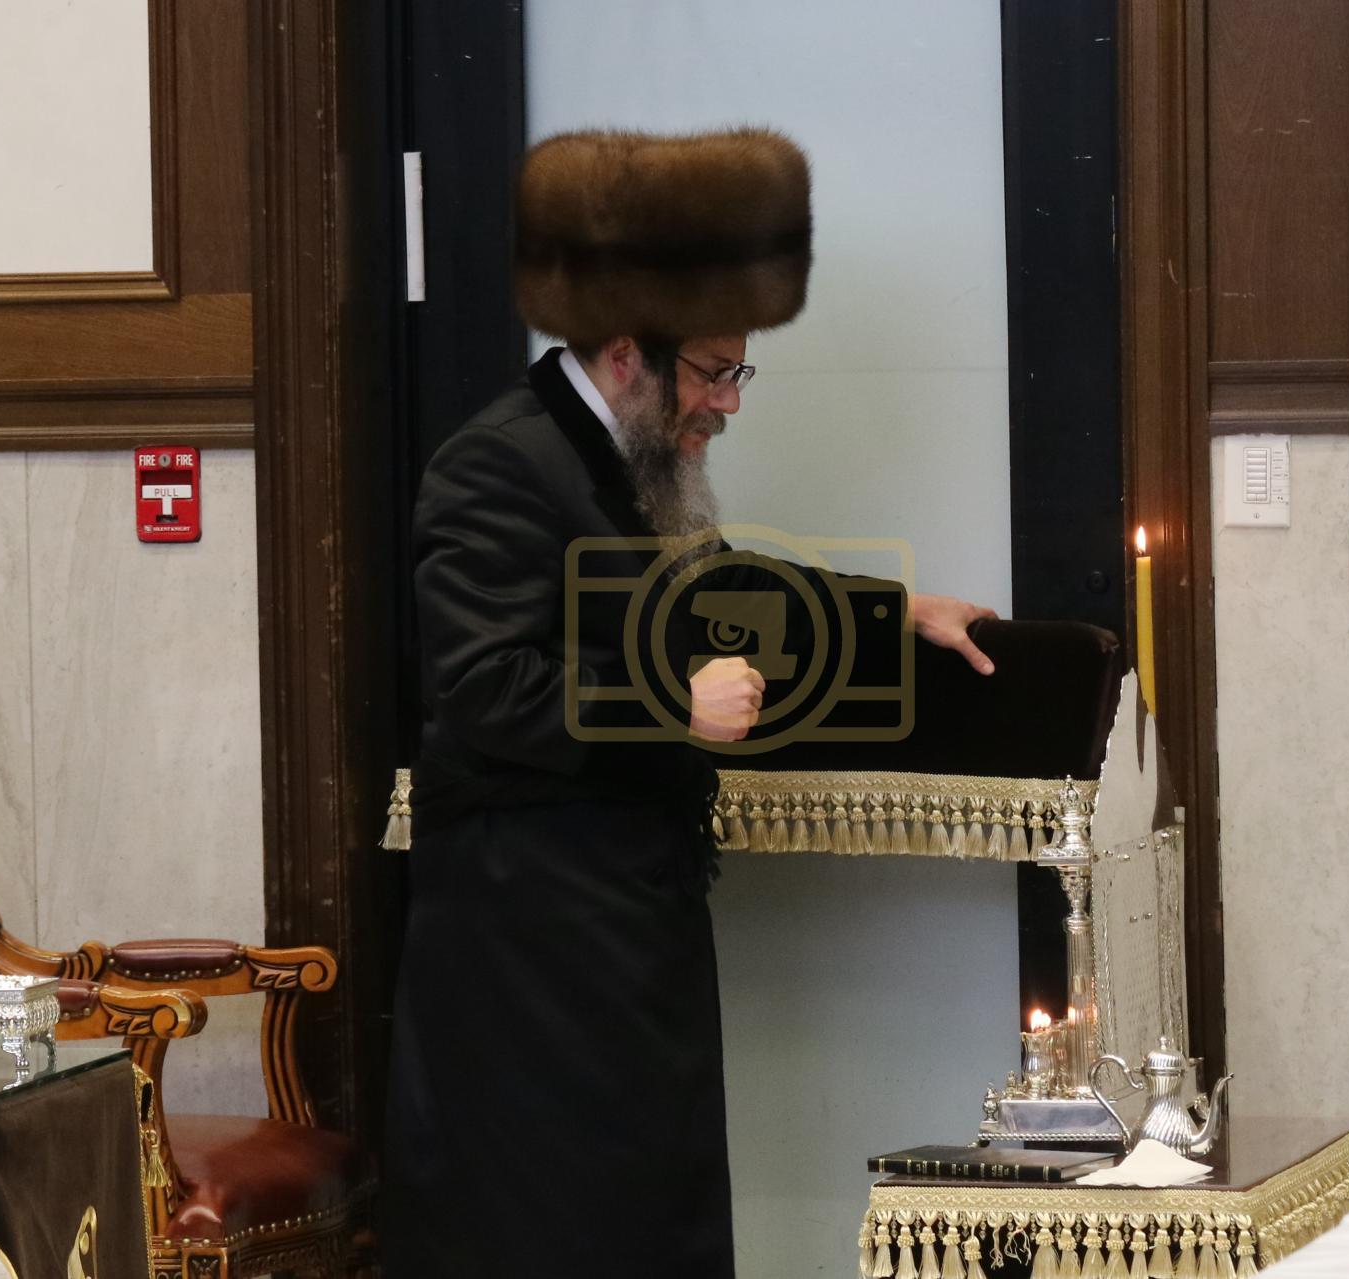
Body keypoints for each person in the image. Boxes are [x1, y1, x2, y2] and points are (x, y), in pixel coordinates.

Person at [383, 127, 996, 1277]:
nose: (727, 403)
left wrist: (895, 613)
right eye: (714, 372)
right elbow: (481, 686)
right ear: (628, 354)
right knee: (560, 1231)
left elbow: (722, 593)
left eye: (735, 373)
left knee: (651, 1217)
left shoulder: (627, 459)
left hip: (628, 914)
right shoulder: (498, 461)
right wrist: (670, 704)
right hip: (528, 940)